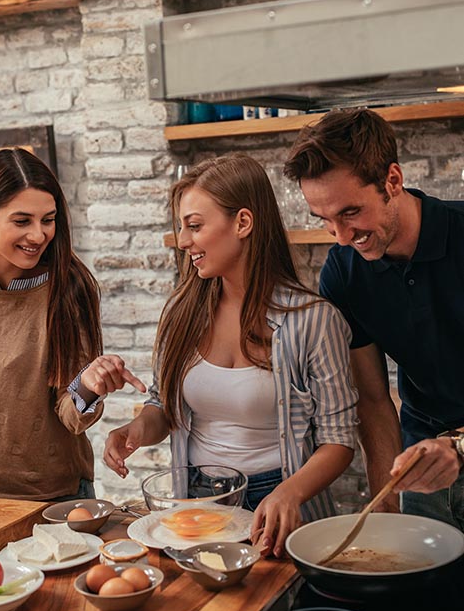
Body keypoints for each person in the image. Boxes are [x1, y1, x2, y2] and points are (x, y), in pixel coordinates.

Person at [104, 154, 358, 557]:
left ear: (242, 223)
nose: (184, 241)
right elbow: (162, 405)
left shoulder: (313, 320)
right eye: (182, 227)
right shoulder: (181, 312)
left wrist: (288, 494)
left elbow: (339, 441)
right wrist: (136, 430)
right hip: (198, 502)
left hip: (278, 503)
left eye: (195, 226)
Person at [0, 147, 146, 501]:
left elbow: (70, 416)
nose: (39, 235)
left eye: (48, 219)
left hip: (52, 495)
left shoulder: (70, 288)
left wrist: (88, 386)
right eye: (22, 221)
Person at [284, 107, 464, 528]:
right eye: (324, 220)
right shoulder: (344, 272)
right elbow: (372, 397)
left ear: (393, 181)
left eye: (350, 212)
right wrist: (385, 501)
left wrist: (457, 445)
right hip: (421, 463)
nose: (342, 237)